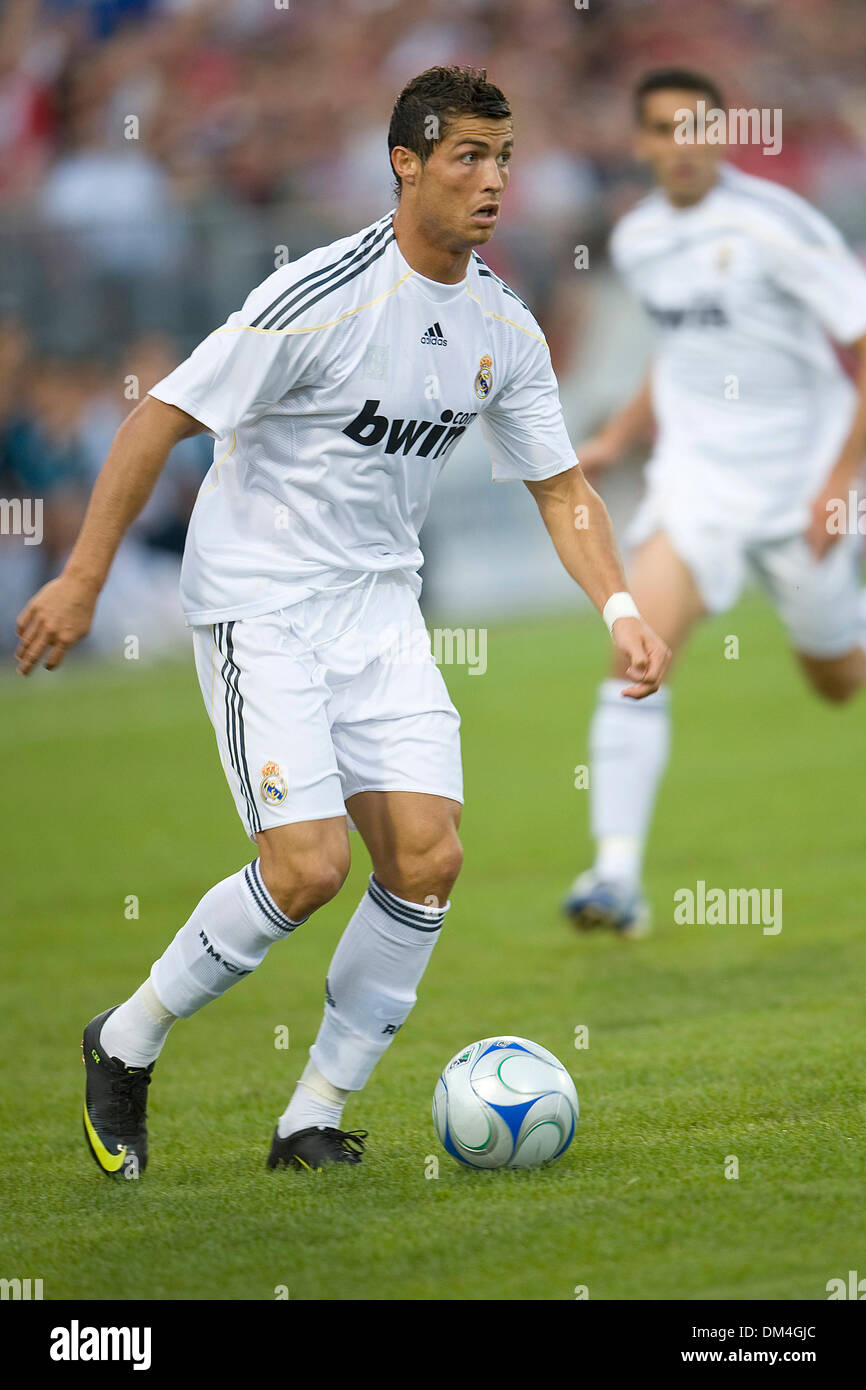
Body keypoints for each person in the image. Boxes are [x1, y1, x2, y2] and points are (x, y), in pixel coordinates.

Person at [17, 66, 669, 1177]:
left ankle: (310, 1114)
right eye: (466, 156)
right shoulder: (317, 295)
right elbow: (156, 421)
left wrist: (618, 604)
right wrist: (82, 578)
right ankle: (124, 1041)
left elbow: (561, 490)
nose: (491, 181)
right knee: (307, 865)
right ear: (404, 164)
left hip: (378, 607)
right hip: (260, 597)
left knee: (425, 856)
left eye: (503, 159)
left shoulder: (501, 327)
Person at [564, 68, 866, 939]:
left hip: (800, 483)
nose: (678, 146)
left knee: (837, 680)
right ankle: (615, 878)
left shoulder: (776, 225)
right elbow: (682, 352)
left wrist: (837, 482)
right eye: (660, 129)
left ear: (722, 135)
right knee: (637, 661)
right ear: (641, 143)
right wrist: (621, 436)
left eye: (694, 128)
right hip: (697, 483)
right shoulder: (641, 239)